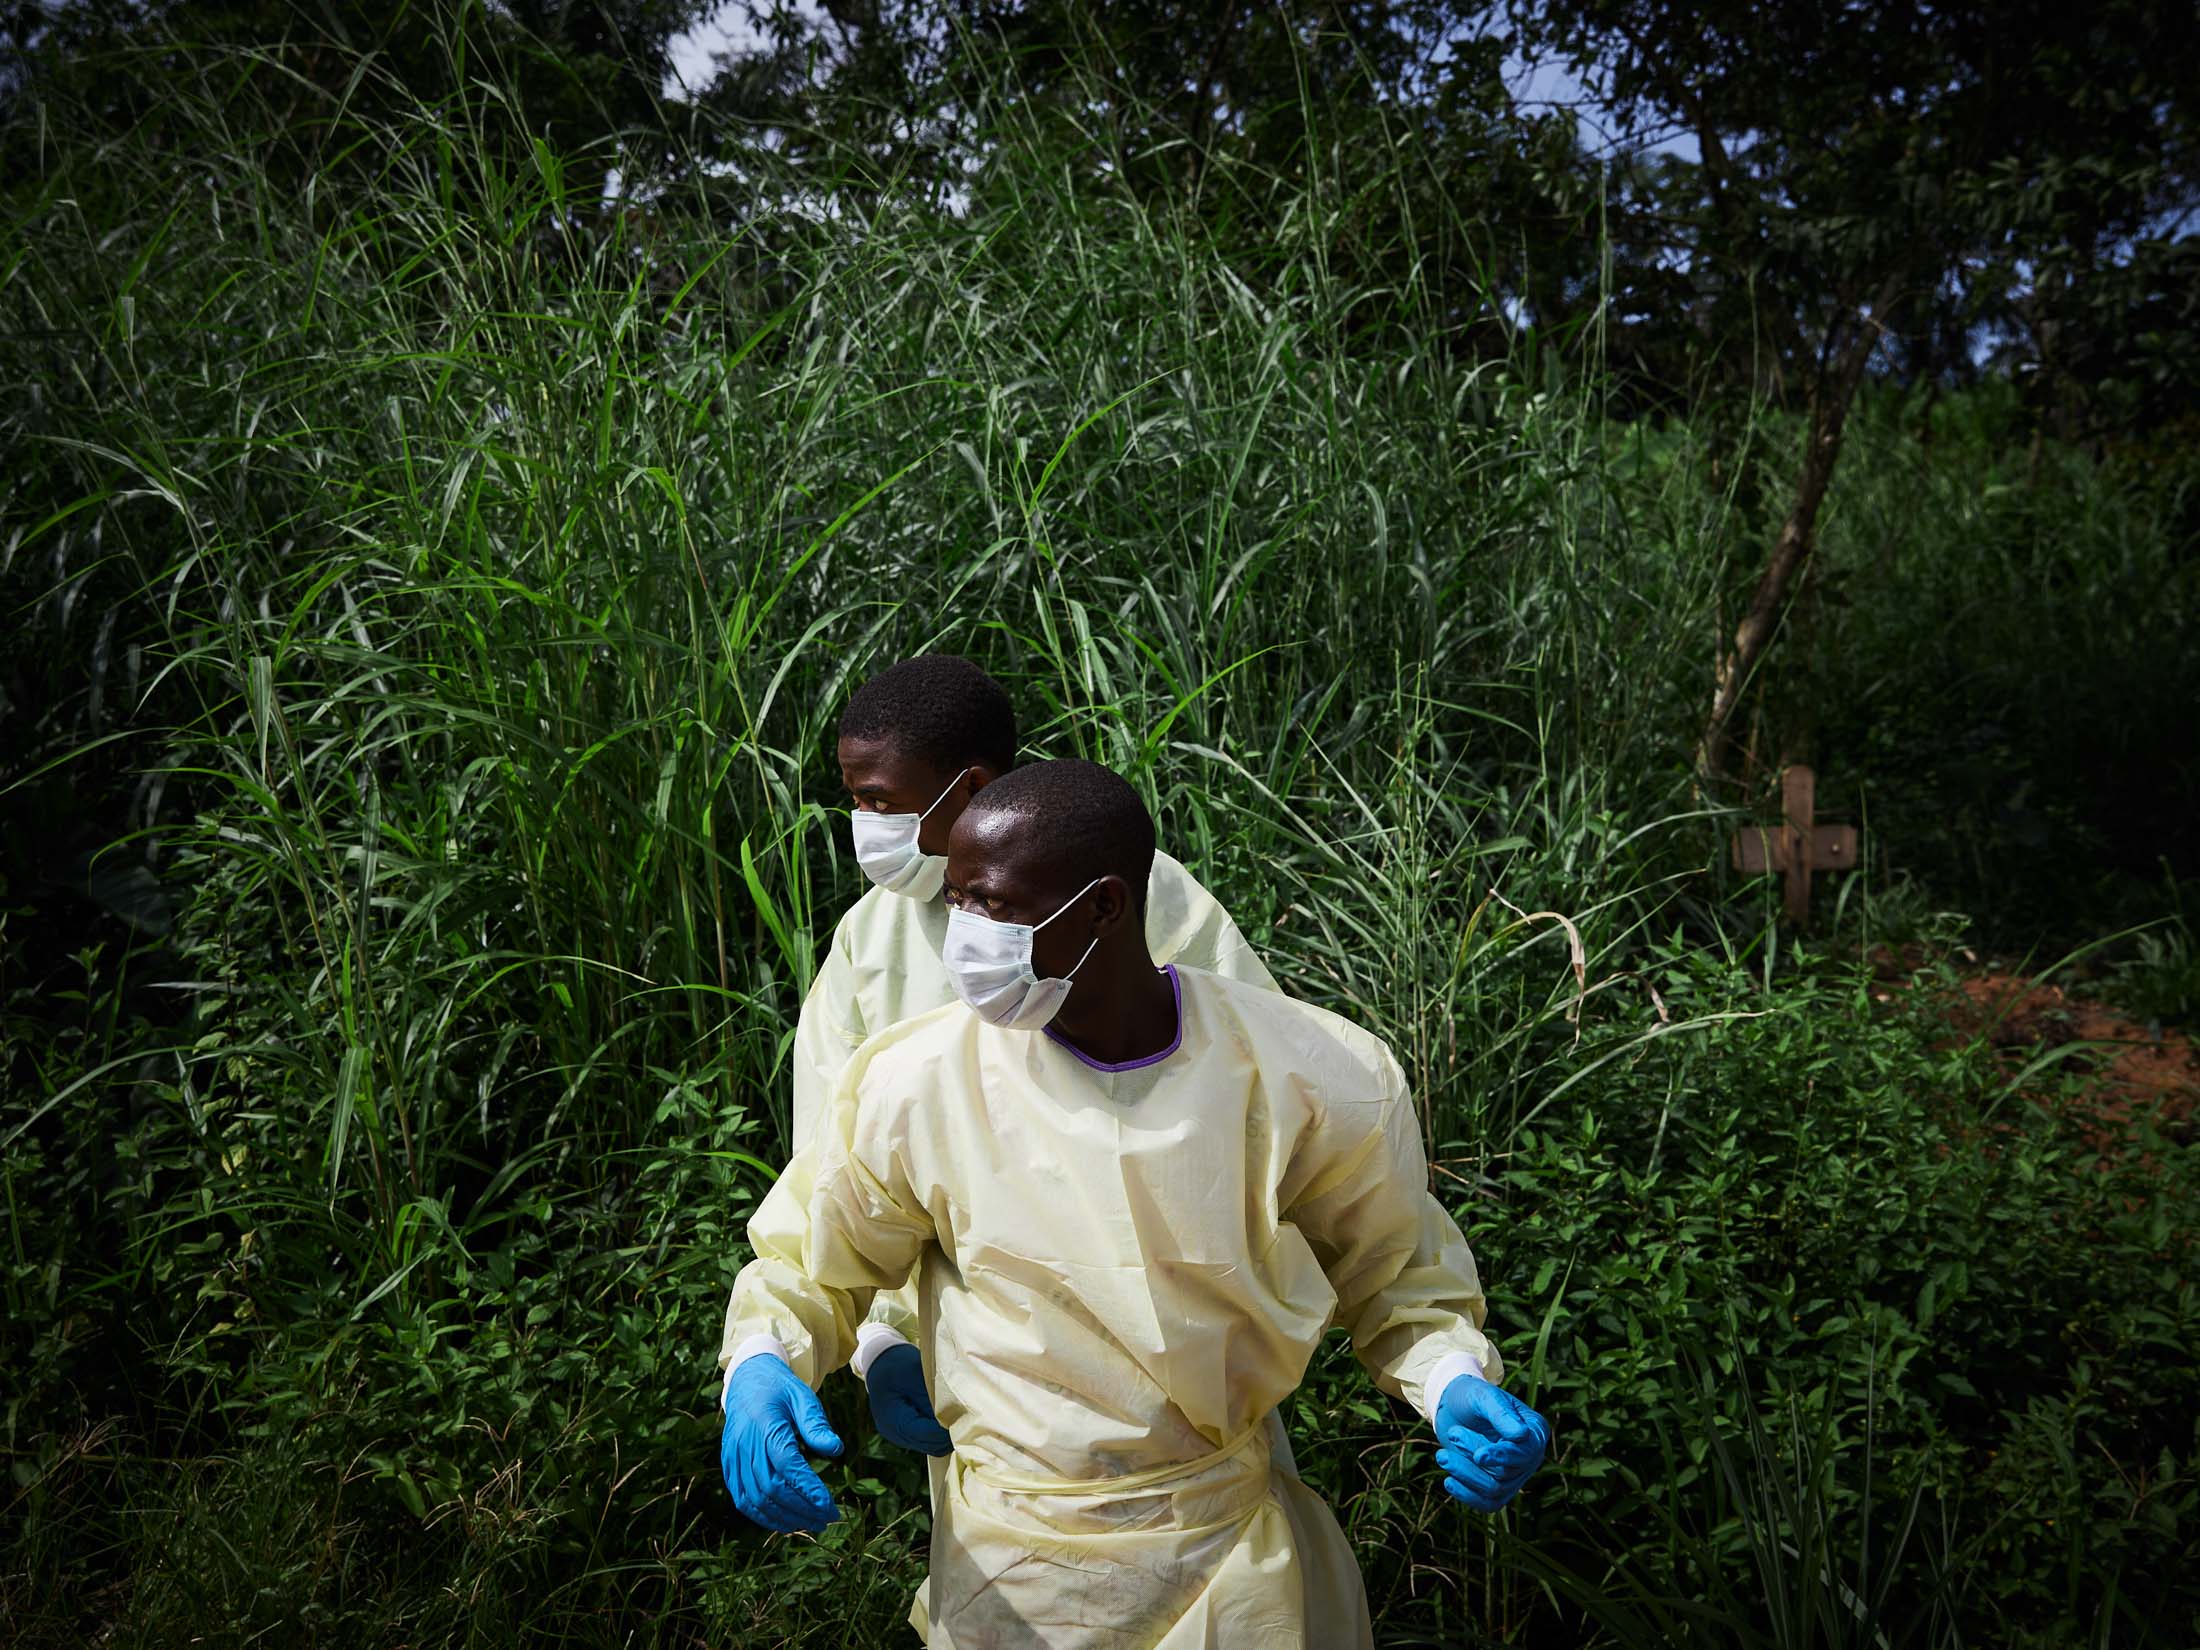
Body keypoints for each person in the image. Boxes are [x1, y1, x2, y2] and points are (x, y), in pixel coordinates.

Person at [717, 759, 1550, 1649]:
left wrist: (1455, 1380)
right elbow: (814, 1263)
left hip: (1228, 1566)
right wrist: (765, 1362)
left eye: (991, 905)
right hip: (1011, 1571)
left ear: (1106, 907)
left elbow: (1396, 1275)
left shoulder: (1309, 1076)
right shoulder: (917, 1081)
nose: (962, 936)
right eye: (954, 902)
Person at [793, 655, 1281, 1462]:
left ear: (972, 786)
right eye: (855, 800)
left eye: (880, 800)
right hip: (987, 1360)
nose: (864, 823)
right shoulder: (869, 941)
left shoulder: (1138, 894)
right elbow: (837, 1166)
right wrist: (883, 1339)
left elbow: (1267, 1095)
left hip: (1172, 1340)